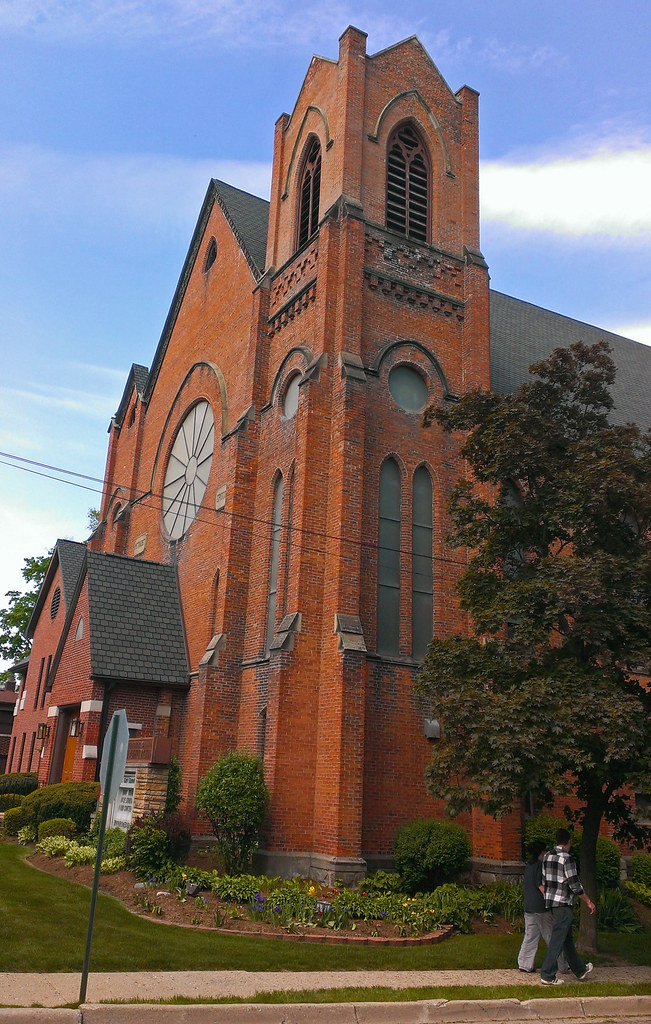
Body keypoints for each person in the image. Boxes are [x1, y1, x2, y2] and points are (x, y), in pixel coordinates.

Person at [540, 827, 596, 985]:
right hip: (563, 902)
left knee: (566, 938)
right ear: (568, 842)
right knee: (558, 938)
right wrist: (588, 901)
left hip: (551, 902)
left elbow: (545, 880)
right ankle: (547, 974)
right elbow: (575, 885)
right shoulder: (567, 858)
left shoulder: (547, 856)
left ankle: (579, 970)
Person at [517, 840, 568, 974]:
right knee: (551, 936)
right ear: (541, 852)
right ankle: (562, 965)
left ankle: (525, 964)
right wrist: (552, 898)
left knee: (530, 935)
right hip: (541, 907)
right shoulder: (540, 866)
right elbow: (541, 886)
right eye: (544, 851)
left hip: (529, 906)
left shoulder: (529, 865)